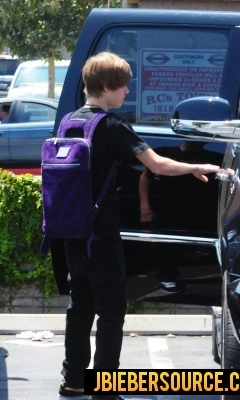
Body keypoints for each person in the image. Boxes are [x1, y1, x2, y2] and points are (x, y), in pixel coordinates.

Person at [57, 51, 221, 400]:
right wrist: (195, 167)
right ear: (106, 86)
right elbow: (157, 165)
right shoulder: (112, 126)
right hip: (101, 234)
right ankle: (104, 388)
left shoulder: (68, 121)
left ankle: (72, 380)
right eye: (124, 86)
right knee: (112, 307)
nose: (128, 92)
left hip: (72, 231)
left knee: (80, 304)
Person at [139, 141, 223, 293]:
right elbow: (145, 178)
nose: (195, 139)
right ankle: (167, 278)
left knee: (209, 245)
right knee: (166, 245)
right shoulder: (165, 153)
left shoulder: (215, 156)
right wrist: (145, 206)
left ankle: (216, 278)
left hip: (206, 208)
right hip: (171, 206)